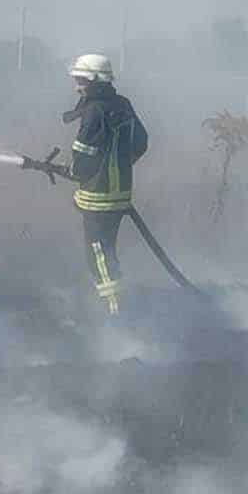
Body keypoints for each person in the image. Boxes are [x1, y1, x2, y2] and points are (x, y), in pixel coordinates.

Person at [62, 53, 149, 314]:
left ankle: (114, 309)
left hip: (98, 196)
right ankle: (115, 301)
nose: (76, 86)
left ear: (95, 81)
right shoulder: (122, 104)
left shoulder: (95, 111)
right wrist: (120, 167)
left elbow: (84, 153)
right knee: (107, 249)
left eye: (80, 80)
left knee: (97, 253)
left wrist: (76, 171)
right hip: (120, 193)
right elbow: (141, 142)